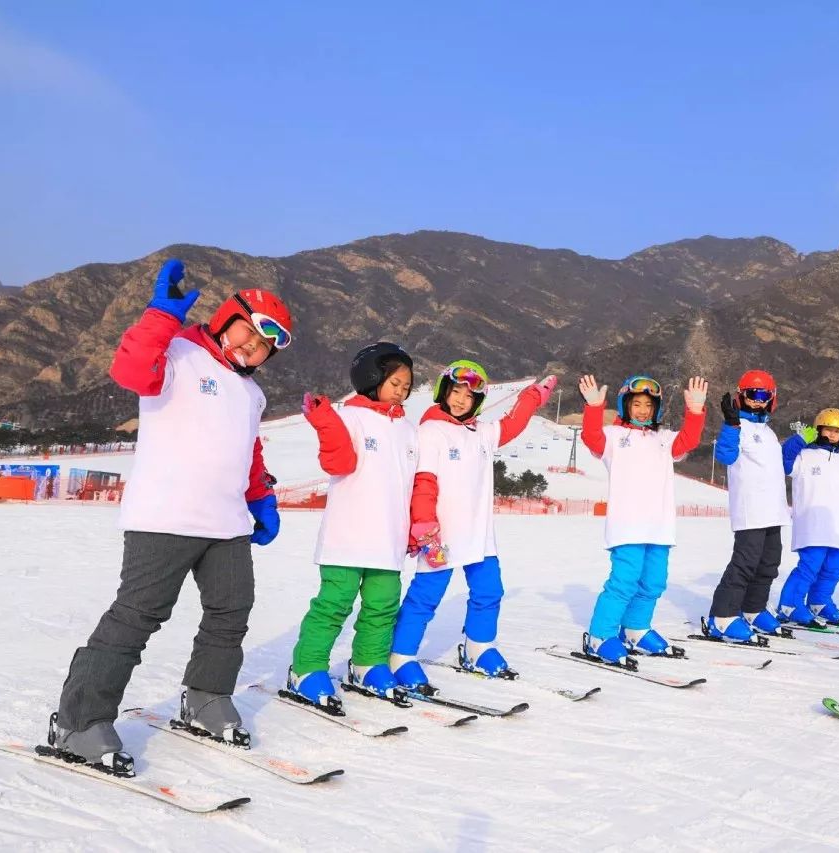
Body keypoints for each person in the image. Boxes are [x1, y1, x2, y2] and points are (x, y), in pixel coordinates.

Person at [51, 259, 292, 775]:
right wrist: (161, 316)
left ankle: (207, 698)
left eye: (265, 346)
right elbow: (130, 370)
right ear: (227, 320)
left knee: (231, 613)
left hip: (226, 524)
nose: (255, 348)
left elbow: (247, 450)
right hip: (165, 516)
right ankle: (78, 721)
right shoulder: (177, 352)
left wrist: (260, 498)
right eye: (250, 334)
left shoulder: (252, 392)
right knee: (138, 616)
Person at [389, 362, 556, 689]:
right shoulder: (430, 431)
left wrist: (532, 397)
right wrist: (423, 524)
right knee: (425, 598)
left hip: (480, 538)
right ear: (443, 392)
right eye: (455, 392)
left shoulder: (481, 433)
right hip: (439, 538)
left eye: (469, 395)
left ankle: (479, 648)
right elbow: (424, 482)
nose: (461, 400)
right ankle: (401, 656)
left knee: (490, 591)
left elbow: (511, 424)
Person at [285, 343, 418, 711]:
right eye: (395, 382)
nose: (402, 390)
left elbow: (415, 483)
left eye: (407, 386)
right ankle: (306, 669)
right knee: (333, 605)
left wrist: (417, 526)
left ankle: (367, 664)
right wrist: (326, 421)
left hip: (389, 540)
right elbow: (337, 462)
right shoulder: (350, 417)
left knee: (382, 607)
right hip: (348, 537)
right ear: (371, 377)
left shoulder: (408, 430)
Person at [579, 374, 708, 663]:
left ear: (657, 410)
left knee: (653, 582)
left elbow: (689, 440)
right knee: (624, 582)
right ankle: (601, 636)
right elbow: (591, 437)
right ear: (625, 405)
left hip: (659, 527)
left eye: (648, 406)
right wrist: (594, 407)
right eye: (636, 404)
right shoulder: (613, 437)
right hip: (627, 527)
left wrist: (695, 411)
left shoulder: (663, 439)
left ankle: (636, 629)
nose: (642, 410)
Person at [705, 370, 789, 641]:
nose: (757, 401)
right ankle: (723, 616)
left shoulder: (769, 433)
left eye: (763, 395)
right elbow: (726, 456)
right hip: (751, 509)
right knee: (745, 563)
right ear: (742, 397)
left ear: (772, 399)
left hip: (773, 510)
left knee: (769, 564)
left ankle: (753, 608)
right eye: (752, 395)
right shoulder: (737, 427)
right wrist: (730, 424)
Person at [774, 408, 839, 627]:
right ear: (818, 430)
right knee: (810, 566)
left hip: (837, 526)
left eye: (837, 432)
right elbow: (784, 460)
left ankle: (819, 601)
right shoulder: (804, 455)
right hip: (812, 523)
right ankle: (790, 605)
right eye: (828, 430)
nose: (832, 435)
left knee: (837, 566)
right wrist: (800, 440)